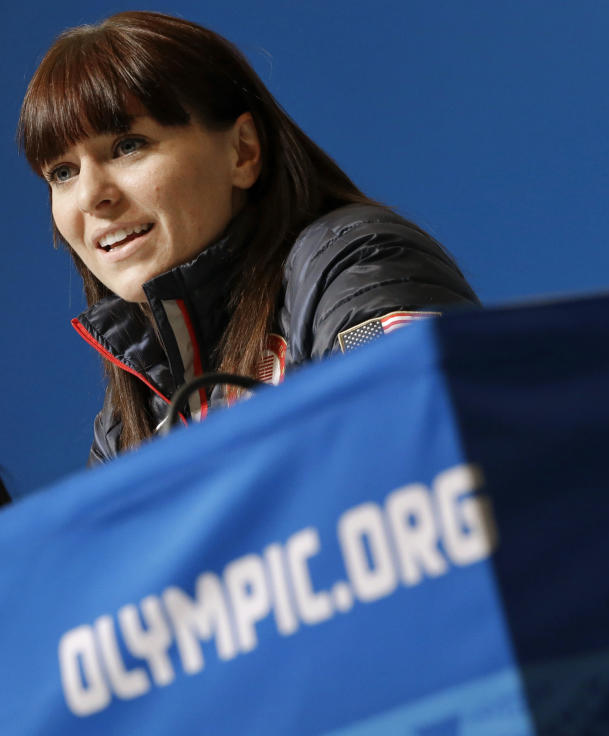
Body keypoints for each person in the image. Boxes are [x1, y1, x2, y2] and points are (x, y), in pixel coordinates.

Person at [18, 12, 479, 464]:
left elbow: (419, 457)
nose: (90, 196)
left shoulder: (356, 265)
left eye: (128, 145)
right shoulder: (127, 422)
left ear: (243, 151)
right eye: (62, 173)